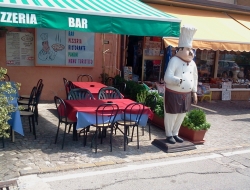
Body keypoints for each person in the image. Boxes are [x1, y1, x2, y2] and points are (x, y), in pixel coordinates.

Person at [164, 25, 198, 144]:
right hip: (174, 93)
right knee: (171, 115)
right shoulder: (174, 60)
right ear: (180, 49)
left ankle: (175, 133)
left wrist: (194, 91)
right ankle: (169, 134)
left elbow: (195, 77)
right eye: (188, 49)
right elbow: (167, 77)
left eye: (191, 49)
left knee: (181, 115)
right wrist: (177, 81)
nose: (190, 52)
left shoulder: (193, 64)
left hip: (186, 94)